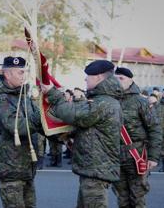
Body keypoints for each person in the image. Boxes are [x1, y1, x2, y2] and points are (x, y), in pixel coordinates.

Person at [41, 60, 123, 208]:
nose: (85, 79)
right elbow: (83, 126)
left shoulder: (103, 103)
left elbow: (72, 114)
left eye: (88, 76)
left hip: (96, 171)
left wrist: (53, 93)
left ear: (98, 77)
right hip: (94, 169)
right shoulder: (103, 100)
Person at [0, 56, 44, 208]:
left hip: (25, 168)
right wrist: (42, 116)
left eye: (25, 72)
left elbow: (39, 125)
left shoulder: (24, 98)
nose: (24, 76)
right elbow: (17, 126)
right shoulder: (0, 100)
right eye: (20, 72)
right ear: (7, 74)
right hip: (10, 168)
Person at [113, 67, 163, 208]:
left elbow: (154, 129)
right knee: (121, 197)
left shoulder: (141, 101)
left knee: (137, 197)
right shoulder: (109, 100)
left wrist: (153, 157)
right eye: (115, 78)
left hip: (136, 155)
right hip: (116, 155)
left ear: (130, 80)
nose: (117, 82)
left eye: (121, 78)